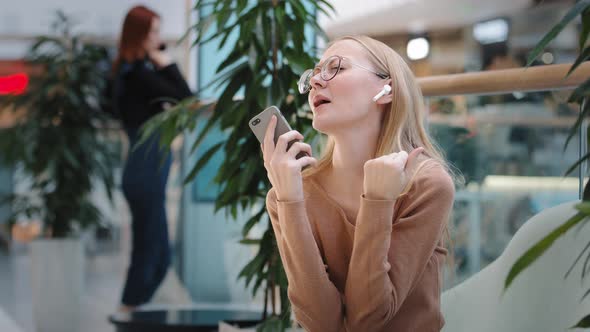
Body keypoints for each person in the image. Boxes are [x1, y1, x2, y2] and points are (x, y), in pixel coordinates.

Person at [262, 35, 455, 331]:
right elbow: (321, 323)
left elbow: (368, 320)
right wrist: (289, 200)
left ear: (387, 89)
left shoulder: (425, 184)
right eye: (313, 75)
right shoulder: (291, 193)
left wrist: (378, 201)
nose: (315, 82)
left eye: (336, 68)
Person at [112, 5, 192, 311]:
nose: (158, 38)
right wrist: (168, 64)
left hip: (145, 173)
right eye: (154, 31)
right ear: (140, 34)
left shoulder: (129, 73)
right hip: (144, 174)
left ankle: (132, 310)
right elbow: (186, 98)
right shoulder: (136, 75)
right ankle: (129, 310)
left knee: (156, 255)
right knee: (152, 254)